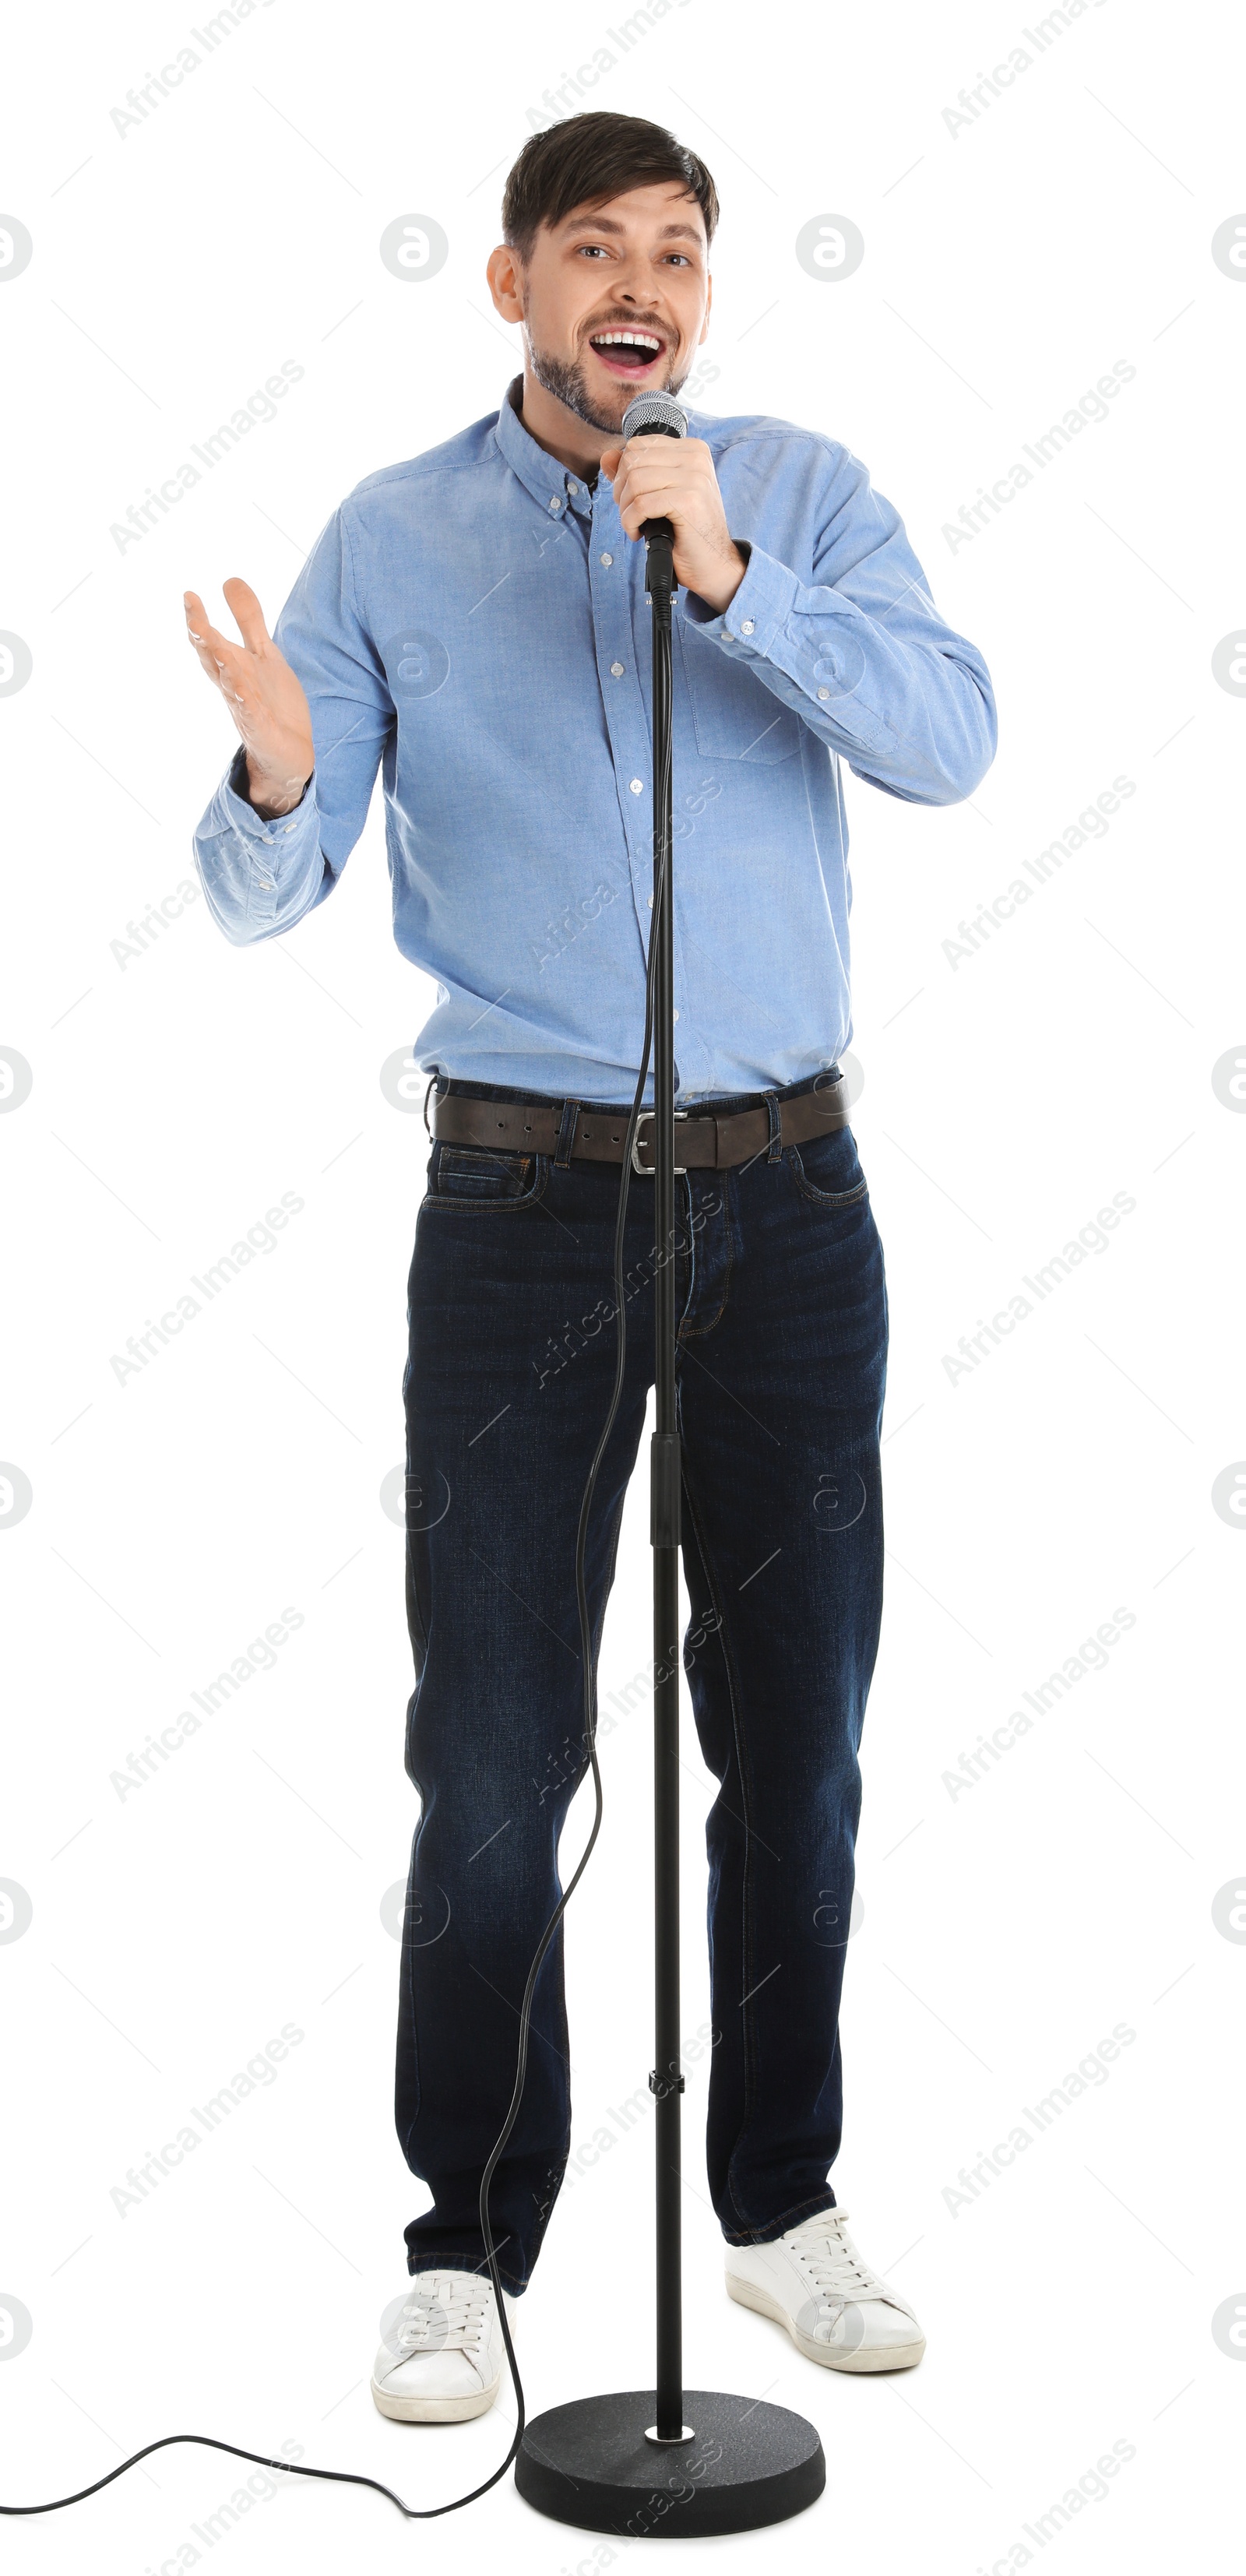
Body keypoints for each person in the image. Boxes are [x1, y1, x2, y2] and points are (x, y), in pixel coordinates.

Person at [186, 108, 996, 2427]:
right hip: (524, 1216)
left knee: (802, 1746)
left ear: (703, 299)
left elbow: (952, 739)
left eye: (677, 256)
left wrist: (739, 578)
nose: (638, 287)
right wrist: (265, 782)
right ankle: (468, 2242)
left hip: (792, 1203)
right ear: (513, 281)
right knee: (501, 1747)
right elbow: (274, 888)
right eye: (593, 250)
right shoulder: (390, 537)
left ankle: (777, 2209)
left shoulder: (800, 491)